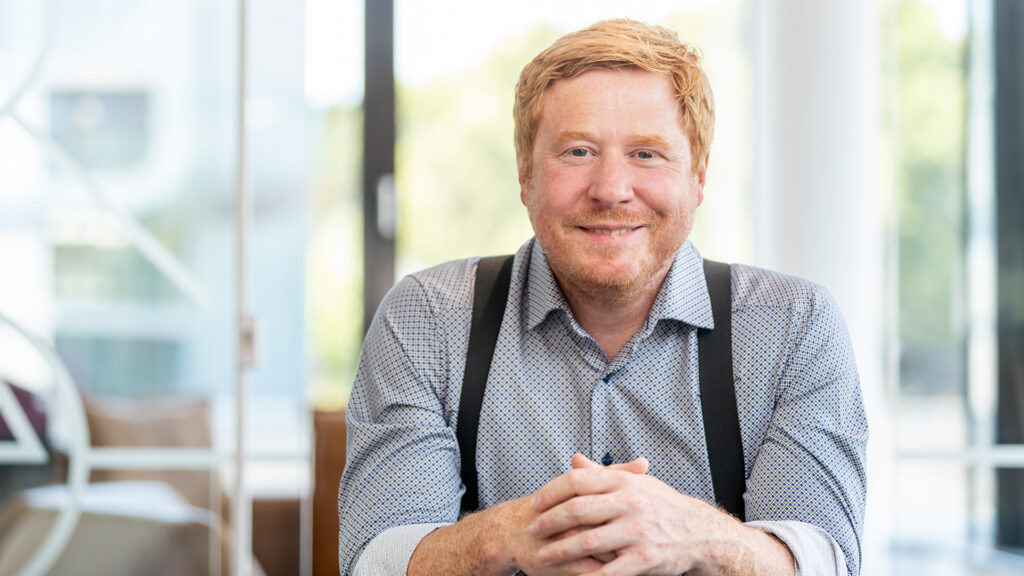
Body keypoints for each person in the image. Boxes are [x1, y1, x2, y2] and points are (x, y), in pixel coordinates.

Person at [339, 18, 867, 576]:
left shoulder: (794, 326)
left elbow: (824, 559)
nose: (611, 190)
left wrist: (702, 536)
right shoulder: (428, 317)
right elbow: (375, 559)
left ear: (698, 177)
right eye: (578, 151)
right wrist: (509, 534)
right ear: (524, 174)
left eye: (646, 154)